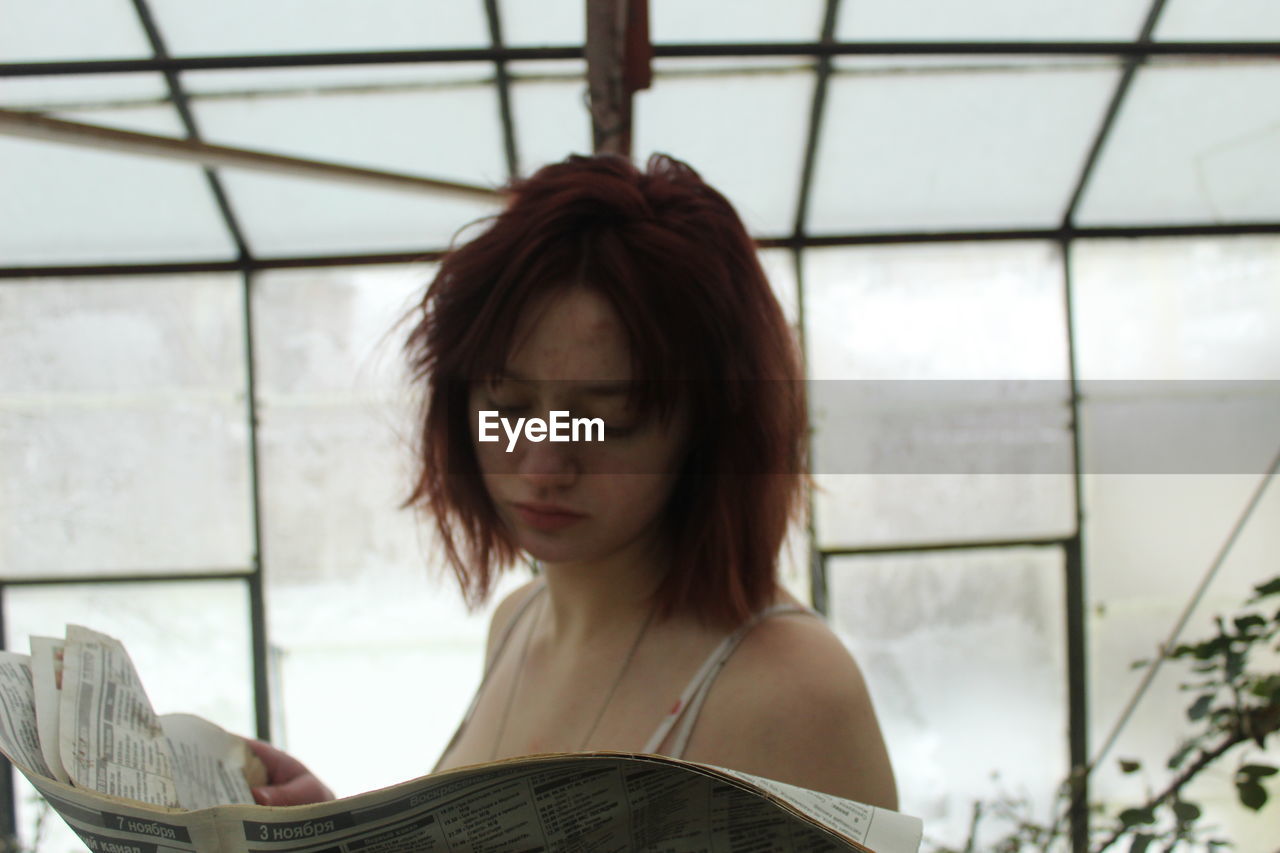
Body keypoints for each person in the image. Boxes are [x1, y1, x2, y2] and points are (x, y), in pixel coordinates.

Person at [247, 153, 898, 811]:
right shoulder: (518, 620)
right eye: (506, 405)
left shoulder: (794, 688)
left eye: (612, 417)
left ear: (711, 430)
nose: (542, 464)